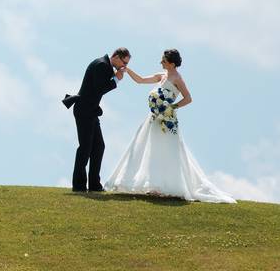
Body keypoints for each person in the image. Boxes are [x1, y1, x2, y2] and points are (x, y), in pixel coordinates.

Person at [103, 48, 236, 203]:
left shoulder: (178, 78)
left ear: (172, 64)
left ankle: (166, 185)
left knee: (166, 150)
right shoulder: (162, 75)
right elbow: (140, 80)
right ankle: (153, 184)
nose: (161, 62)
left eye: (164, 61)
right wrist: (128, 70)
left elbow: (188, 98)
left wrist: (172, 107)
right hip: (154, 119)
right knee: (149, 149)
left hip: (167, 120)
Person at [63, 48, 130, 192]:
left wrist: (115, 77)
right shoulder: (102, 64)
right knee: (85, 148)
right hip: (84, 110)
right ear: (117, 57)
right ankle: (79, 186)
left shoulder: (105, 65)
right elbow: (100, 88)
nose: (124, 67)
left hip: (91, 111)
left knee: (98, 147)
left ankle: (94, 185)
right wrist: (116, 79)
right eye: (124, 63)